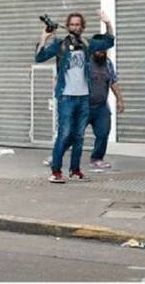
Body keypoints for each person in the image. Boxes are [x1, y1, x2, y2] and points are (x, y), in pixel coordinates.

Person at [35, 10, 115, 183]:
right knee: (64, 134)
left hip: (84, 97)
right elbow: (39, 57)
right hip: (66, 97)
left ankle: (75, 170)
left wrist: (108, 23)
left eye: (78, 25)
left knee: (79, 136)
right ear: (68, 26)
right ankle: (56, 171)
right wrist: (44, 37)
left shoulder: (87, 44)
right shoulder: (61, 45)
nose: (74, 27)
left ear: (82, 27)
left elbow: (109, 41)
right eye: (72, 25)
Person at [85, 42, 124, 169]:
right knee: (72, 134)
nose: (101, 53)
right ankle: (57, 156)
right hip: (83, 106)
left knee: (103, 132)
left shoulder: (107, 63)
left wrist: (120, 100)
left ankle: (97, 158)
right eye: (98, 51)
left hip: (101, 107)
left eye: (103, 51)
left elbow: (113, 82)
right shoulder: (86, 63)